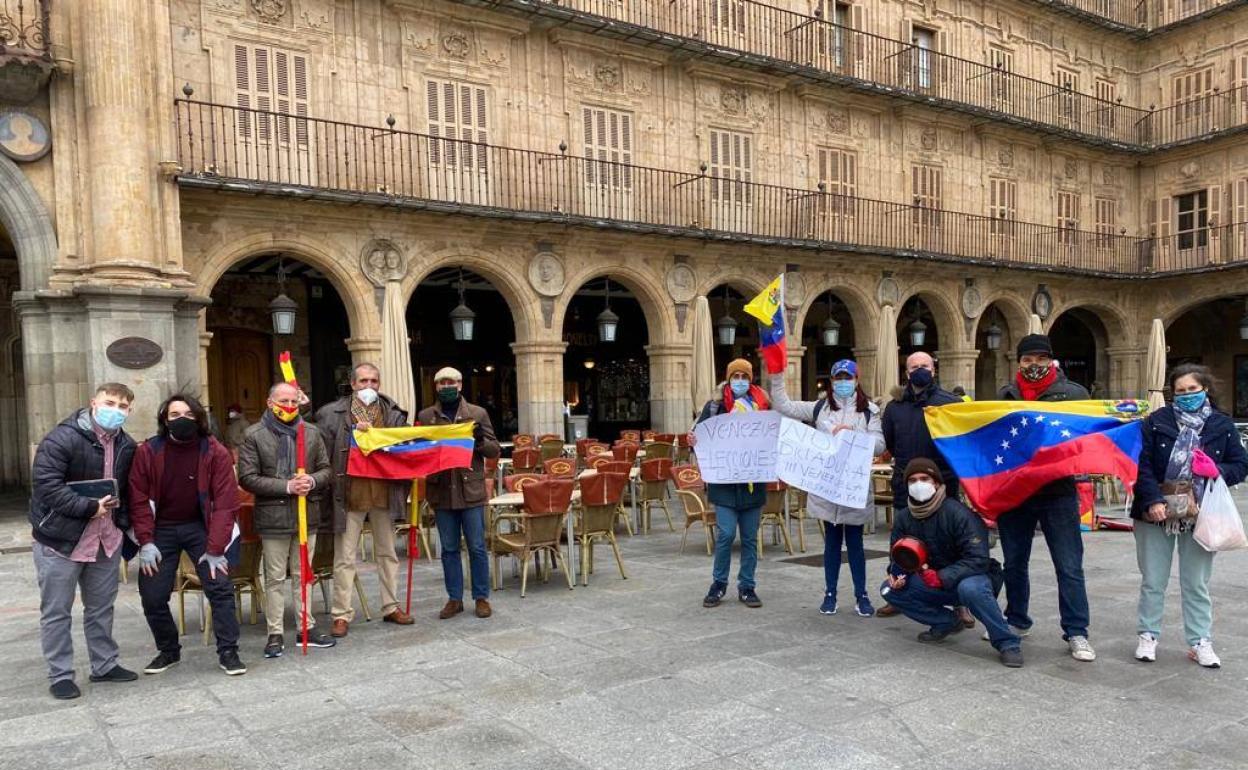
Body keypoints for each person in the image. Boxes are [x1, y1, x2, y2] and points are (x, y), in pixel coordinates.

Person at [1131, 364, 1248, 668]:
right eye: (1180, 391)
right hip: (1156, 512)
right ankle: (1148, 635)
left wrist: (1217, 470)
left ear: (1205, 389)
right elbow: (1140, 464)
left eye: (1192, 390)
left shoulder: (1221, 425)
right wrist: (1153, 500)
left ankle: (1200, 640)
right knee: (1153, 580)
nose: (1186, 396)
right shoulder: (1155, 421)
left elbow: (1240, 464)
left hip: (1201, 512)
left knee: (1196, 582)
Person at [29, 383, 140, 699]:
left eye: (122, 406)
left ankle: (104, 665)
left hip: (105, 539)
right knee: (57, 611)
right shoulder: (61, 438)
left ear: (129, 411)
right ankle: (61, 674)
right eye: (109, 402)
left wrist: (127, 528)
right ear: (93, 402)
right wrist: (88, 507)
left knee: (101, 608)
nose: (115, 410)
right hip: (61, 540)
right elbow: (46, 486)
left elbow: (129, 492)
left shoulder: (127, 445)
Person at [995, 333, 1095, 661]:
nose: (1033, 365)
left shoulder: (1074, 394)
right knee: (1014, 562)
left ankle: (1077, 631)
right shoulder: (1006, 394)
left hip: (1057, 490)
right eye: (1027, 360)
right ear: (1018, 362)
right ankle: (1017, 619)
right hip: (1016, 491)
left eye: (1040, 359)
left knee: (1068, 565)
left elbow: (1089, 435)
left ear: (1051, 360)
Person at [129, 394, 245, 676]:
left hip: (201, 527)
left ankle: (228, 651)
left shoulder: (214, 451)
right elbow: (138, 497)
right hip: (162, 530)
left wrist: (216, 548)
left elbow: (226, 501)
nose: (181, 419)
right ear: (164, 420)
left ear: (199, 418)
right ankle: (168, 650)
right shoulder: (148, 451)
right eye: (174, 414)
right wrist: (145, 541)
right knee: (153, 596)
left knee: (219, 588)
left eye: (188, 414)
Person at [880, 458, 1023, 668]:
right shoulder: (904, 517)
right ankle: (945, 622)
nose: (918, 484)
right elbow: (898, 555)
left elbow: (978, 559)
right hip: (929, 579)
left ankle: (1007, 643)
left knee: (971, 589)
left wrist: (942, 576)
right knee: (888, 591)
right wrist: (896, 575)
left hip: (969, 579)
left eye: (924, 479)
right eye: (912, 480)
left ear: (936, 482)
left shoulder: (958, 514)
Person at [770, 360, 884, 616]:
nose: (843, 382)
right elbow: (784, 406)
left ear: (856, 380)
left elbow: (879, 444)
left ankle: (861, 594)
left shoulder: (870, 412)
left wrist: (851, 434)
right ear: (832, 381)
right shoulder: (819, 407)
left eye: (848, 377)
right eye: (838, 378)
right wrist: (777, 376)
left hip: (853, 487)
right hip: (828, 486)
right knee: (831, 543)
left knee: (855, 544)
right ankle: (830, 592)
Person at [315, 363, 414, 636]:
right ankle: (341, 614)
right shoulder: (331, 414)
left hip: (384, 491)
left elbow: (404, 448)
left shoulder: (393, 413)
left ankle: (391, 607)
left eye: (373, 380)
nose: (368, 386)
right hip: (348, 492)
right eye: (363, 381)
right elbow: (319, 449)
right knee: (345, 556)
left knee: (388, 553)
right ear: (353, 383)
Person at [238, 382, 335, 658]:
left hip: (308, 515)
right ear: (270, 403)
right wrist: (287, 486)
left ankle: (307, 626)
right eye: (283, 402)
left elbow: (326, 469)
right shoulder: (254, 435)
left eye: (294, 402)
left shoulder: (312, 433)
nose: (289, 407)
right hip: (274, 517)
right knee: (275, 577)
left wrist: (312, 480)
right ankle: (275, 632)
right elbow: (247, 477)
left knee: (305, 574)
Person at [879, 352, 961, 618]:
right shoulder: (895, 407)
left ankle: (959, 603)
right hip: (906, 485)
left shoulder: (951, 403)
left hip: (943, 485)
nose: (920, 371)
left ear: (934, 369)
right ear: (906, 372)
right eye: (914, 367)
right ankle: (899, 593)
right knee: (901, 542)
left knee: (950, 543)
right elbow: (889, 443)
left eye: (924, 366)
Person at [418, 367, 501, 620]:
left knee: (476, 547)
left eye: (451, 382)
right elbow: (420, 450)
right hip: (442, 491)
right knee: (449, 549)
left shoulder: (477, 413)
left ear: (461, 384)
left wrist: (478, 441)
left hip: (471, 490)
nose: (446, 386)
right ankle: (454, 598)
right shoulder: (427, 415)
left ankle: (481, 597)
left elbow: (493, 449)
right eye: (442, 382)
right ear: (436, 387)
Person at [688, 358, 770, 609]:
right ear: (728, 378)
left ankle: (747, 585)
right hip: (723, 485)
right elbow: (699, 434)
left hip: (752, 483)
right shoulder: (714, 407)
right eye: (735, 376)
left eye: (744, 376)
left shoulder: (764, 407)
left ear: (751, 378)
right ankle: (718, 583)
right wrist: (693, 439)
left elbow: (773, 437)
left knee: (749, 538)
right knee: (724, 534)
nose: (740, 381)